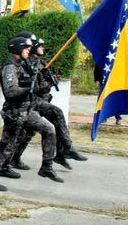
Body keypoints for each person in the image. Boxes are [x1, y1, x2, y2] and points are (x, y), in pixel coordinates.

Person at [0, 36, 62, 192]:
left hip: (27, 110)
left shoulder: (24, 65)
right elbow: (10, 91)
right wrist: (27, 90)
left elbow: (36, 86)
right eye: (26, 48)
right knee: (6, 147)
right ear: (17, 49)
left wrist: (42, 82)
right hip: (14, 112)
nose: (28, 51)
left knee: (49, 129)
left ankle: (47, 166)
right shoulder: (10, 67)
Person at [9, 36, 87, 172]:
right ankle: (66, 148)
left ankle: (61, 153)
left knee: (30, 132)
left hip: (40, 101)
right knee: (55, 115)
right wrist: (46, 82)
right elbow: (35, 86)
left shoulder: (41, 62)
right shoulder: (27, 63)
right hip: (33, 101)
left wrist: (49, 79)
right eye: (40, 46)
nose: (43, 48)